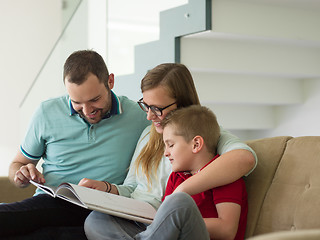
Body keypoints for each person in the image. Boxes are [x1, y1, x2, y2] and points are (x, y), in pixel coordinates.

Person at [83, 63, 256, 240]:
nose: (149, 116)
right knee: (96, 220)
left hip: (169, 223)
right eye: (146, 106)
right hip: (142, 221)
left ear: (181, 103)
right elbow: (132, 188)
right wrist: (107, 188)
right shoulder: (146, 135)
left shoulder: (204, 134)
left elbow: (244, 158)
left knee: (178, 203)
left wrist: (180, 192)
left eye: (157, 109)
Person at [0, 50, 150, 239]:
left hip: (102, 212)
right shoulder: (46, 113)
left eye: (95, 100)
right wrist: (20, 175)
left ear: (110, 81)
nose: (88, 111)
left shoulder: (139, 117)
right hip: (51, 203)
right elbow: (17, 165)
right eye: (77, 102)